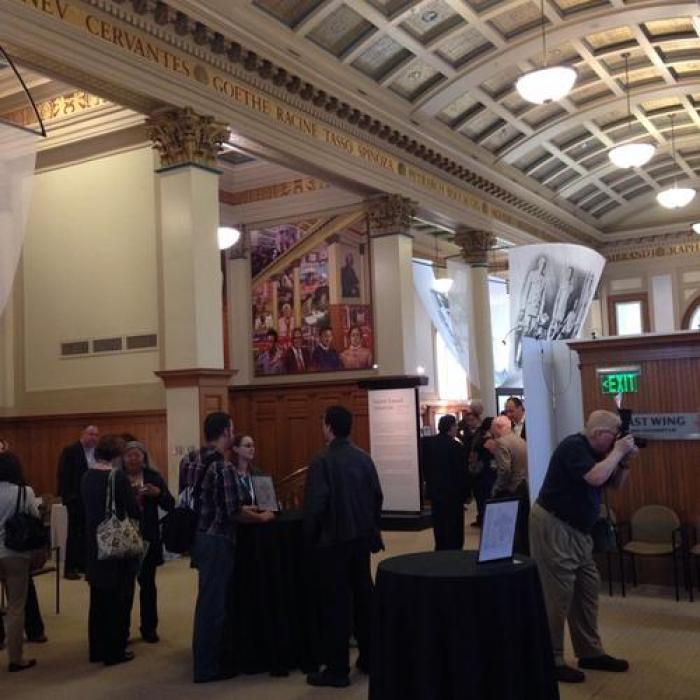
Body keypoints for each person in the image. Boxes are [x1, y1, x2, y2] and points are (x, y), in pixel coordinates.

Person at [530, 410, 638, 684]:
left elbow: (615, 484)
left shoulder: (600, 451)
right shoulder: (573, 447)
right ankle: (551, 659)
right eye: (613, 436)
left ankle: (590, 652)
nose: (616, 441)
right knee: (557, 596)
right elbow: (595, 478)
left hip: (578, 531)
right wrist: (617, 452)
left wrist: (623, 461)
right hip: (554, 525)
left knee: (587, 589)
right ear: (598, 433)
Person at [179, 412, 274, 683]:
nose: (233, 434)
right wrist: (261, 516)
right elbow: (233, 511)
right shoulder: (223, 467)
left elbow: (193, 497)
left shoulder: (189, 459)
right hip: (217, 539)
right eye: (231, 430)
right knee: (213, 605)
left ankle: (207, 659)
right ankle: (207, 667)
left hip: (197, 536)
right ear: (224, 432)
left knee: (207, 598)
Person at [303, 405, 383, 688]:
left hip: (333, 542)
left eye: (323, 422)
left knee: (335, 605)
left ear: (329, 427)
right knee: (363, 598)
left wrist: (308, 537)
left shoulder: (321, 461)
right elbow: (377, 497)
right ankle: (370, 657)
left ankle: (337, 669)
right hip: (360, 539)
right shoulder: (364, 458)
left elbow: (315, 505)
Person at [81, 434, 140, 666]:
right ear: (116, 455)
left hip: (94, 542)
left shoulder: (87, 475)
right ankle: (114, 651)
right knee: (117, 599)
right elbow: (133, 510)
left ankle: (96, 648)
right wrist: (135, 494)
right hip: (115, 544)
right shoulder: (117, 477)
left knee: (98, 599)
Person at [122, 441, 175, 644]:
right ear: (123, 458)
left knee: (148, 585)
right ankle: (122, 630)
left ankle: (149, 628)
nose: (133, 459)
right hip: (125, 536)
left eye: (137, 455)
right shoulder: (117, 477)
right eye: (129, 455)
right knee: (125, 588)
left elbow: (170, 503)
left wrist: (158, 494)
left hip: (148, 536)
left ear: (143, 457)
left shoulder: (153, 477)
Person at [0, 441, 46, 648]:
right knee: (16, 605)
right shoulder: (24, 492)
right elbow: (34, 518)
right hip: (14, 552)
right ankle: (16, 656)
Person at [421, 415, 469, 550]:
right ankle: (454, 550)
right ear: (451, 427)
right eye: (455, 426)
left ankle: (440, 548)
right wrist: (466, 494)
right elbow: (461, 472)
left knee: (439, 524)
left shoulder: (428, 444)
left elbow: (425, 467)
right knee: (454, 527)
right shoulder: (456, 446)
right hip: (453, 494)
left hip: (436, 492)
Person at [57, 424, 99, 579]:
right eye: (91, 434)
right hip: (75, 499)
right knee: (75, 533)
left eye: (96, 435)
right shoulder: (71, 451)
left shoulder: (97, 453)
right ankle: (70, 568)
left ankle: (85, 565)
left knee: (88, 533)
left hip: (92, 499)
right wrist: (68, 497)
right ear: (82, 435)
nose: (94, 438)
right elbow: (63, 474)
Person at [485, 416, 529, 555]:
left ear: (498, 427)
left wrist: (496, 488)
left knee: (508, 532)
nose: (492, 433)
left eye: (493, 430)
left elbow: (505, 470)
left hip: (510, 491)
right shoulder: (521, 441)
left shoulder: (501, 443)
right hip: (523, 489)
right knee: (522, 529)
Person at [469, 414, 496, 527]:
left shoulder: (478, 436)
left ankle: (481, 519)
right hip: (487, 473)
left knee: (480, 499)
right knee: (487, 497)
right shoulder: (489, 441)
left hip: (477, 473)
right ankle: (487, 521)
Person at [231, 434, 261, 506]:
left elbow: (266, 501)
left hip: (258, 514)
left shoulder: (257, 473)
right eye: (248, 446)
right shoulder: (230, 474)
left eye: (253, 446)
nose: (252, 449)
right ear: (236, 449)